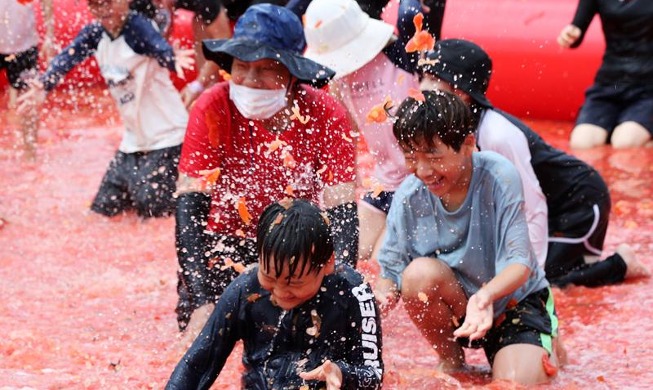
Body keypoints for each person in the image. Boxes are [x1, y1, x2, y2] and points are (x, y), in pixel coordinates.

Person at [174, 4, 358, 344]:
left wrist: (340, 295)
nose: (250, 80)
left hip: (295, 247)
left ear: (291, 74)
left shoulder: (326, 113)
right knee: (201, 334)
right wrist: (200, 301)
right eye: (242, 67)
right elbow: (190, 207)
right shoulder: (212, 107)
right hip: (226, 245)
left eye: (265, 69)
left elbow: (342, 213)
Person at [419, 39, 650, 288]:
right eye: (422, 77)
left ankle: (620, 264)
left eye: (432, 80)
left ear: (460, 92)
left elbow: (532, 205)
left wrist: (530, 276)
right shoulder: (445, 129)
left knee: (545, 284)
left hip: (576, 204)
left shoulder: (497, 135)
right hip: (544, 204)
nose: (421, 87)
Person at [374, 90, 562, 385]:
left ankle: (544, 336)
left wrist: (485, 297)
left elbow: (520, 263)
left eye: (434, 156)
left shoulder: (498, 176)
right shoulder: (409, 196)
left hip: (513, 302)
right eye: (411, 156)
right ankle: (452, 359)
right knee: (417, 275)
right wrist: (379, 298)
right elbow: (391, 271)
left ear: (468, 145)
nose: (423, 171)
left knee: (516, 384)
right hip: (461, 307)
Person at [166, 198, 383, 389]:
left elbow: (373, 376)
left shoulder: (353, 291)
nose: (280, 292)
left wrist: (341, 373)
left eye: (295, 282)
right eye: (269, 277)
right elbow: (196, 365)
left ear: (327, 264)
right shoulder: (245, 289)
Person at [17, 0, 194, 218]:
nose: (103, 10)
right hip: (132, 144)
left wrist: (171, 58)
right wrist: (44, 85)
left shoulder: (138, 27)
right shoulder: (95, 34)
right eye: (95, 5)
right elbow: (67, 58)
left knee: (151, 213)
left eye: (108, 2)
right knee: (100, 212)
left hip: (169, 139)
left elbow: (157, 44)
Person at [303, 0, 423, 265]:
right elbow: (349, 128)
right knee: (344, 258)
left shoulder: (400, 55)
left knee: (384, 263)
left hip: (418, 183)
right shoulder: (339, 75)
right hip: (384, 182)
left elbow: (411, 14)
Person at [557, 0, 653, 149]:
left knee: (625, 143)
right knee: (582, 143)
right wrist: (571, 33)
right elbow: (577, 29)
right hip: (610, 83)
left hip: (648, 88)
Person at [1, 0, 54, 161]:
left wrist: (49, 36)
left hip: (24, 46)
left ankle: (30, 153)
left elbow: (46, 2)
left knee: (28, 100)